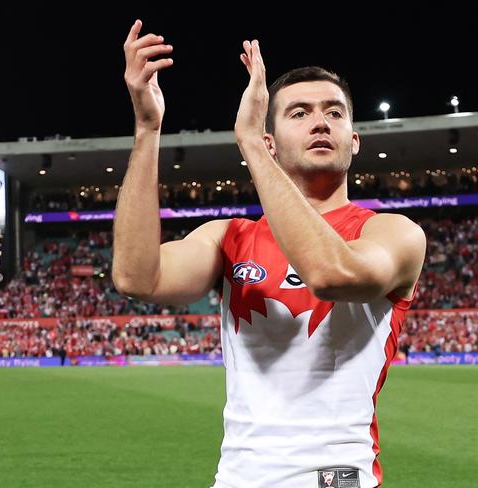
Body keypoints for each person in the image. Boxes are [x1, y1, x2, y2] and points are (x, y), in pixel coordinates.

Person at [113, 20, 427, 488]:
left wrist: (250, 147)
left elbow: (330, 273)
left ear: (354, 141)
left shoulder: (392, 233)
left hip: (334, 479)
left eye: (335, 113)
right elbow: (138, 278)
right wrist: (146, 129)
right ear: (272, 143)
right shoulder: (228, 237)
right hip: (238, 478)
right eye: (299, 113)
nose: (321, 121)